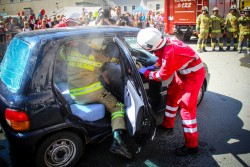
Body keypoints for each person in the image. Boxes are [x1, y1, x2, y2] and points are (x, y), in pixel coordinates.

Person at [137, 27, 205, 156]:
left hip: (194, 76)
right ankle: (167, 125)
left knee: (186, 108)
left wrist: (146, 72)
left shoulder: (170, 53)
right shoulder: (165, 42)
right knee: (172, 98)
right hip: (182, 73)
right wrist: (154, 66)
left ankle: (192, 145)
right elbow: (161, 57)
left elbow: (161, 76)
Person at [61, 38, 132, 159]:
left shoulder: (70, 50)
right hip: (93, 92)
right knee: (117, 107)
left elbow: (61, 54)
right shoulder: (100, 56)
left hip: (75, 94)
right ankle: (118, 142)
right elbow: (117, 62)